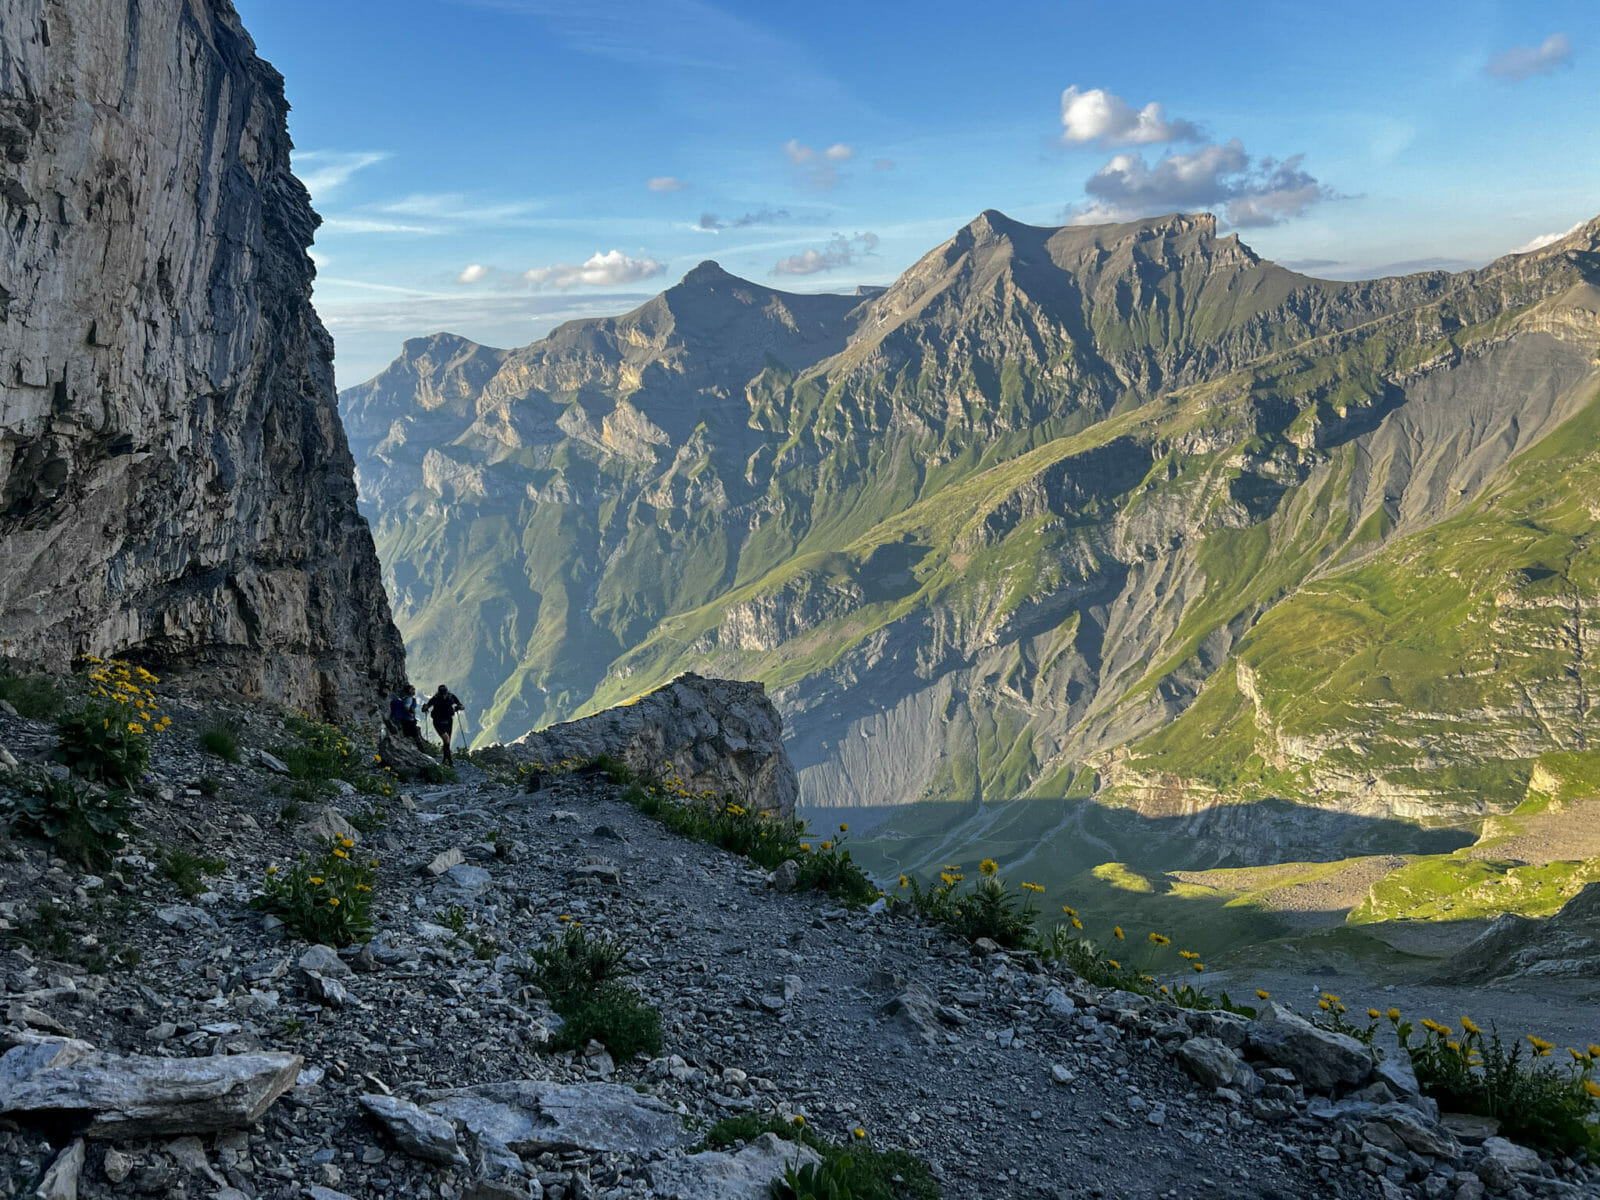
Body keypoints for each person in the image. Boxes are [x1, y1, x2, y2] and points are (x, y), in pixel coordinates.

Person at [422, 684, 465, 764]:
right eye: (442, 694)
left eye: (444, 694)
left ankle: (446, 759)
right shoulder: (436, 699)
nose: (443, 696)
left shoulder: (451, 697)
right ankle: (448, 760)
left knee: (447, 741)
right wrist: (425, 708)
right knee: (446, 739)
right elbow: (427, 706)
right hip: (438, 721)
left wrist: (459, 707)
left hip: (448, 720)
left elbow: (462, 706)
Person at [388, 683, 425, 749]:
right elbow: (406, 707)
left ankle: (418, 747)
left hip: (406, 719)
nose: (414, 691)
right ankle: (421, 749)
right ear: (409, 691)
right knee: (416, 735)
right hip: (408, 720)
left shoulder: (405, 698)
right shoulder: (409, 699)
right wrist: (411, 712)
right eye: (412, 689)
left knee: (412, 733)